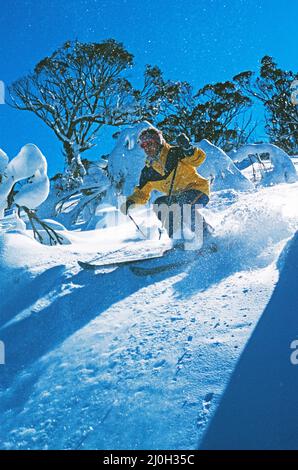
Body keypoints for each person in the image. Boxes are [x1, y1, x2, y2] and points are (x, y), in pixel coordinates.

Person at [120, 128, 211, 247]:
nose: (147, 147)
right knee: (160, 204)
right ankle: (179, 241)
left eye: (150, 143)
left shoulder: (175, 153)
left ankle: (207, 237)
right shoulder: (148, 172)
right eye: (143, 145)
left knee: (183, 205)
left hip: (197, 189)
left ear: (158, 142)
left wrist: (188, 149)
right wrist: (131, 202)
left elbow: (198, 159)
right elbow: (142, 194)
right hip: (178, 196)